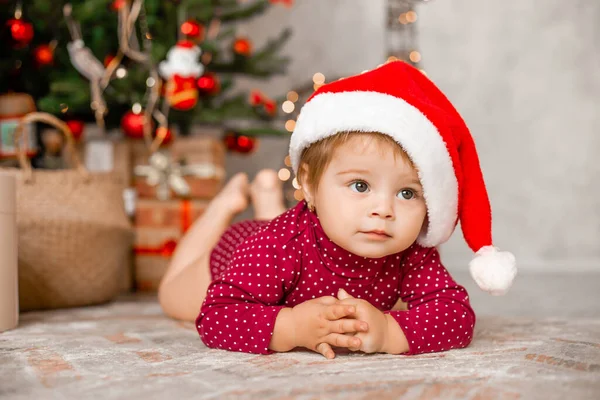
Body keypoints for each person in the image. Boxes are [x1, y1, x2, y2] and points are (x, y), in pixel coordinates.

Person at [158, 60, 517, 359]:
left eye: (407, 193)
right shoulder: (276, 245)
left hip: (287, 239)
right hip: (239, 251)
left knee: (279, 237)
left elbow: (456, 315)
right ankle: (223, 205)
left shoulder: (411, 253)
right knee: (173, 297)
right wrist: (292, 327)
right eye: (360, 186)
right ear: (309, 185)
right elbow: (217, 317)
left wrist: (391, 331)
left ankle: (266, 196)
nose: (384, 210)